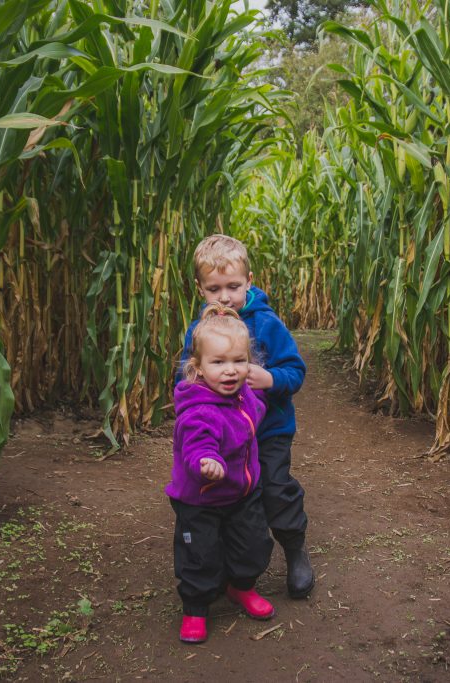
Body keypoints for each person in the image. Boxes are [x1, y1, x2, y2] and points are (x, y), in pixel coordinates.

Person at [179, 234, 315, 600]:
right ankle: (229, 567)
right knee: (227, 496)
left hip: (268, 431)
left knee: (273, 488)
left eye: (233, 287)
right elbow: (187, 376)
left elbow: (295, 372)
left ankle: (294, 547)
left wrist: (270, 379)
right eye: (214, 288)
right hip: (223, 438)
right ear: (200, 289)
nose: (224, 297)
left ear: (249, 281)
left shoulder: (267, 323)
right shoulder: (201, 330)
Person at [167, 303, 275, 644]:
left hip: (241, 492)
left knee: (254, 543)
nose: (230, 371)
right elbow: (196, 446)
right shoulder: (199, 411)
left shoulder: (243, 395)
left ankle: (240, 587)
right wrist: (206, 462)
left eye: (238, 361)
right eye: (219, 363)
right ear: (198, 369)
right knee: (200, 555)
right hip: (200, 498)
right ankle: (196, 608)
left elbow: (255, 410)